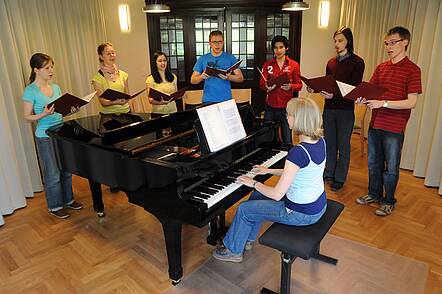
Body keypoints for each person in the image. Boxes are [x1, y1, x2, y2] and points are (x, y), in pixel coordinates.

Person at [213, 97, 327, 262]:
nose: (286, 117)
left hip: (300, 214)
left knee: (244, 209)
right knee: (256, 197)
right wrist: (268, 170)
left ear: (299, 119)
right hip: (317, 206)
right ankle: (247, 240)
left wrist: (253, 182)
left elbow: (276, 195)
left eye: (288, 114)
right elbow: (298, 172)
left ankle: (233, 251)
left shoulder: (298, 152)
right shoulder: (320, 142)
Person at [355, 26, 422, 216]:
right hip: (375, 124)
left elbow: (412, 102)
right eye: (387, 43)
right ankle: (373, 194)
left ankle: (388, 200)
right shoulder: (381, 67)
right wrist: (362, 98)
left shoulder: (413, 70)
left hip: (394, 127)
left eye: (393, 42)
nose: (388, 47)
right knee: (373, 164)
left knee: (390, 168)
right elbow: (370, 91)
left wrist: (382, 103)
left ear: (405, 42)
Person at [22, 53, 83, 219]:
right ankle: (55, 206)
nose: (51, 71)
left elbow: (60, 111)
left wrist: (72, 109)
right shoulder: (30, 91)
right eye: (47, 68)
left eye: (51, 67)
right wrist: (43, 114)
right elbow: (27, 117)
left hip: (61, 131)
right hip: (45, 136)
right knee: (53, 173)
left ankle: (68, 200)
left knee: (66, 169)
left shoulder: (56, 88)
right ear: (36, 70)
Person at [320, 27, 365, 192]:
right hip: (329, 109)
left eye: (340, 41)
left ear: (348, 41)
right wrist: (316, 89)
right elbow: (328, 83)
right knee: (330, 144)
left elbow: (353, 90)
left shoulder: (358, 62)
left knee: (343, 145)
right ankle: (328, 173)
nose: (337, 44)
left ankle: (339, 178)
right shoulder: (331, 62)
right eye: (335, 41)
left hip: (345, 110)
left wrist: (334, 96)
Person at [259, 35, 302, 150]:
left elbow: (299, 85)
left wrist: (290, 86)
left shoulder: (294, 65)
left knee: (287, 140)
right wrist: (267, 87)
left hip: (287, 108)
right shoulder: (267, 65)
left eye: (281, 47)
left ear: (286, 48)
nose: (278, 50)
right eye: (276, 48)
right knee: (268, 140)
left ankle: (287, 164)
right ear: (273, 49)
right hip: (270, 107)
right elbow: (262, 84)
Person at [191, 30, 244, 103]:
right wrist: (201, 76)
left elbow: (240, 78)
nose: (217, 45)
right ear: (210, 43)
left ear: (223, 42)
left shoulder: (230, 57)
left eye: (220, 42)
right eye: (214, 42)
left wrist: (228, 77)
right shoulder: (203, 58)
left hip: (226, 100)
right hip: (208, 100)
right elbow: (193, 80)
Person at [91, 42, 130, 114]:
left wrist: (126, 100)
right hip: (108, 115)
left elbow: (127, 95)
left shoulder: (123, 74)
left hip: (126, 112)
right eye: (108, 54)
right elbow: (103, 102)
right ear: (101, 57)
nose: (112, 55)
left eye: (113, 53)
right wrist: (115, 102)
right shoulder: (97, 78)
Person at [146, 51, 178, 118]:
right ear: (155, 63)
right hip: (158, 113)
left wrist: (181, 95)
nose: (163, 63)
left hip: (173, 111)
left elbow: (175, 93)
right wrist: (161, 102)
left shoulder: (173, 77)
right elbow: (150, 100)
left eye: (165, 60)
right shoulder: (150, 79)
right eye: (160, 61)